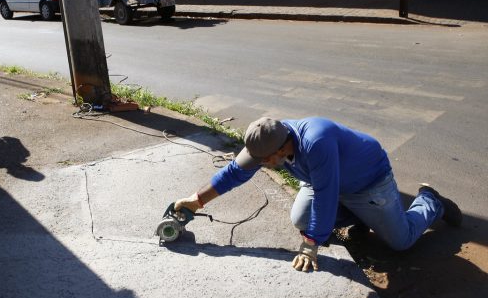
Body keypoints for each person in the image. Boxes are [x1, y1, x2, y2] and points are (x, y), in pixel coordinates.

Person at [175, 117, 462, 272]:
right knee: (301, 217)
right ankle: (361, 217)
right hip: (327, 181)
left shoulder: (316, 142)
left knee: (401, 241)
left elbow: (326, 194)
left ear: (283, 148)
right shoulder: (267, 142)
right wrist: (196, 201)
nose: (262, 164)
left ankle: (430, 201)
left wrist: (311, 243)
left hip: (369, 181)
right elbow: (233, 174)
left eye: (265, 160)